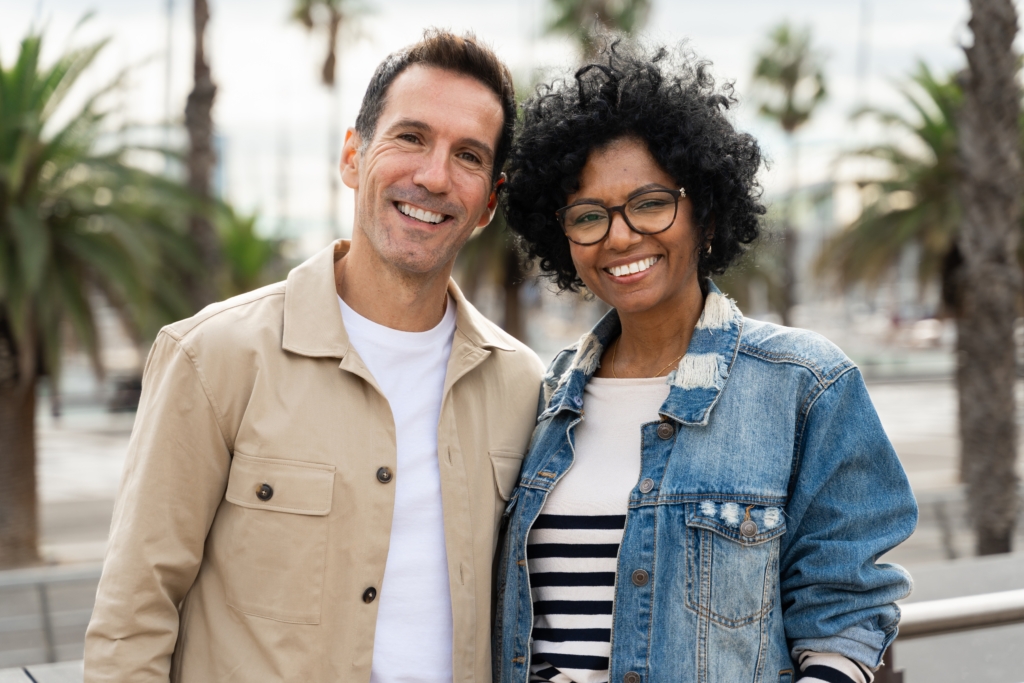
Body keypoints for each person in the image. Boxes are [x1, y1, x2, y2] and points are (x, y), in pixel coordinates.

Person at [85, 30, 544, 683]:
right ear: (353, 156)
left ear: (488, 204)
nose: (434, 175)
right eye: (410, 137)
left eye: (467, 155)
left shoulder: (521, 385)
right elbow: (132, 619)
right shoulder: (214, 357)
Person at [494, 40, 917, 683]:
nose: (620, 235)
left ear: (706, 211)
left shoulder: (804, 387)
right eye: (588, 216)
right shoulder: (539, 397)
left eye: (651, 203)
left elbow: (848, 611)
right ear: (564, 239)